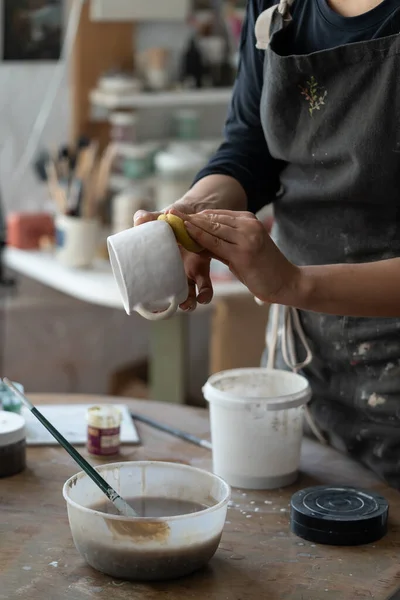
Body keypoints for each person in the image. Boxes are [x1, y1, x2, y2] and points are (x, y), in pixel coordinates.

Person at [135, 0, 400, 490]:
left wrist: (295, 282)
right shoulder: (279, 7)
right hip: (302, 364)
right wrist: (195, 214)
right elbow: (250, 146)